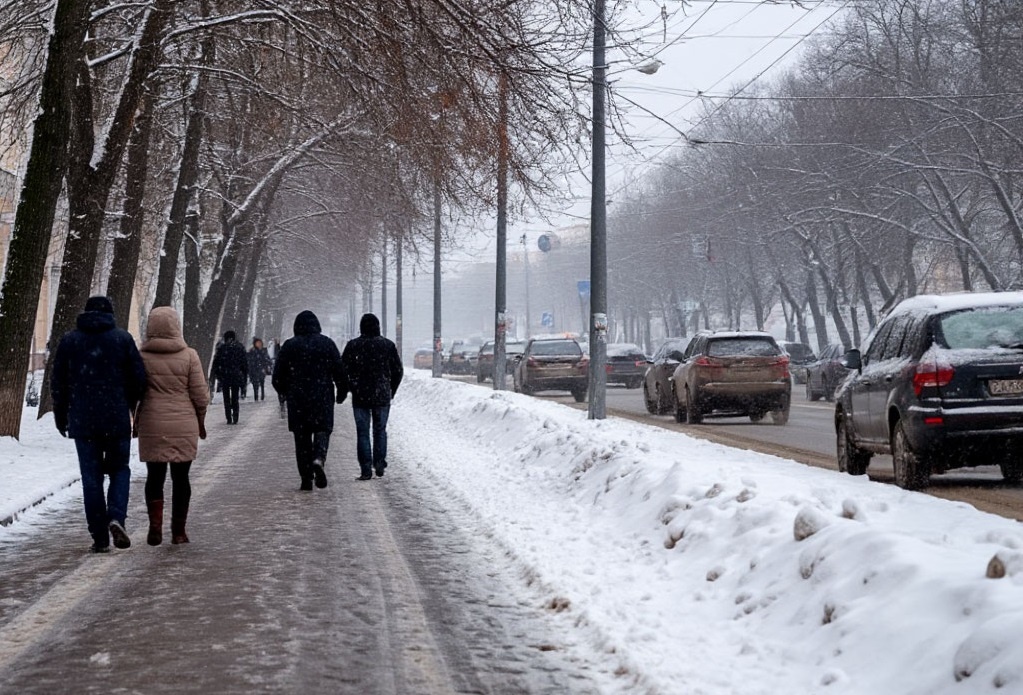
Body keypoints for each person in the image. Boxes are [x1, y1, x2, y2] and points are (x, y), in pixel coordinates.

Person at [50, 296, 147, 553]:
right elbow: (139, 379)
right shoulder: (122, 339)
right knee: (119, 470)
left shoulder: (70, 341)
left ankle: (99, 537)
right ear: (111, 313)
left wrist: (62, 416)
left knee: (91, 479)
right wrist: (127, 402)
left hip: (83, 422)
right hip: (116, 420)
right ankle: (116, 516)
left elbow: (58, 383)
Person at [134, 307, 209, 545]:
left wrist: (135, 418)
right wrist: (200, 418)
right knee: (181, 478)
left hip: (152, 422)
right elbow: (200, 395)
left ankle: (155, 526)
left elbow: (135, 392)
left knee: (154, 477)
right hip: (183, 423)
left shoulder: (141, 357)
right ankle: (178, 531)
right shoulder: (190, 356)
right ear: (177, 326)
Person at [272, 311, 345, 490]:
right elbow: (339, 371)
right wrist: (342, 391)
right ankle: (319, 458)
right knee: (322, 430)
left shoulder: (289, 346)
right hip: (322, 397)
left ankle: (306, 479)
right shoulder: (327, 344)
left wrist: (285, 392)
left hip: (298, 400)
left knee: (302, 438)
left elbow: (277, 377)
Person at [338, 313, 403, 480]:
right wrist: (391, 390)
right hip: (381, 394)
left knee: (363, 432)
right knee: (380, 430)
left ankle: (366, 469)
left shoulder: (353, 346)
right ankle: (380, 462)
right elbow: (398, 371)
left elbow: (342, 370)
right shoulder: (388, 345)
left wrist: (349, 387)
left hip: (360, 395)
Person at [212, 330, 247, 424]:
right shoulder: (239, 348)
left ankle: (228, 417)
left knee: (226, 398)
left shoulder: (222, 348)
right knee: (235, 397)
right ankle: (235, 416)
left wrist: (218, 375)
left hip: (225, 377)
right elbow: (244, 364)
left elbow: (216, 363)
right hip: (235, 376)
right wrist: (243, 376)